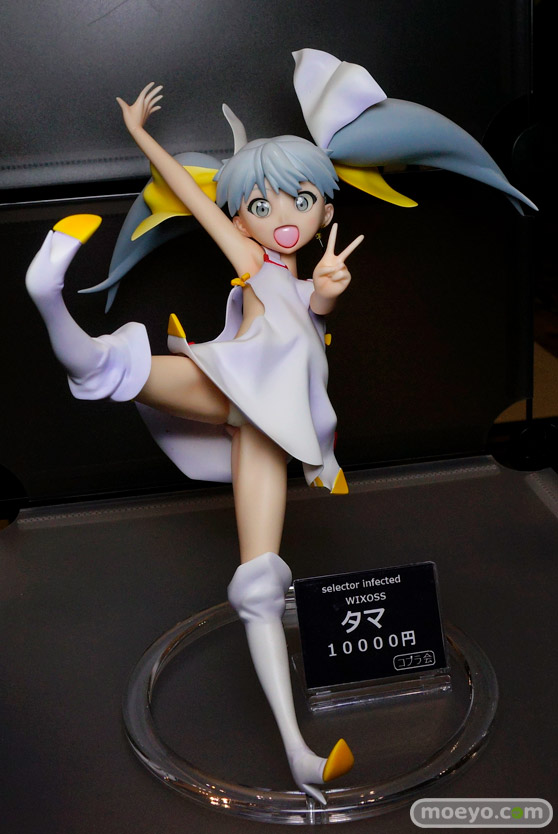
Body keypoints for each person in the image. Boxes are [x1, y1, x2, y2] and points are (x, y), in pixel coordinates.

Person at [26, 80, 362, 804]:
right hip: (229, 386)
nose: (283, 219)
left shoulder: (304, 285)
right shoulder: (253, 262)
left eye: (302, 201)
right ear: (241, 216)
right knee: (113, 367)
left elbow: (316, 311)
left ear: (327, 211)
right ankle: (47, 293)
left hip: (264, 433)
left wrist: (330, 289)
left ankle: (298, 754)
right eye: (261, 206)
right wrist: (140, 136)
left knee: (260, 583)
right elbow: (190, 193)